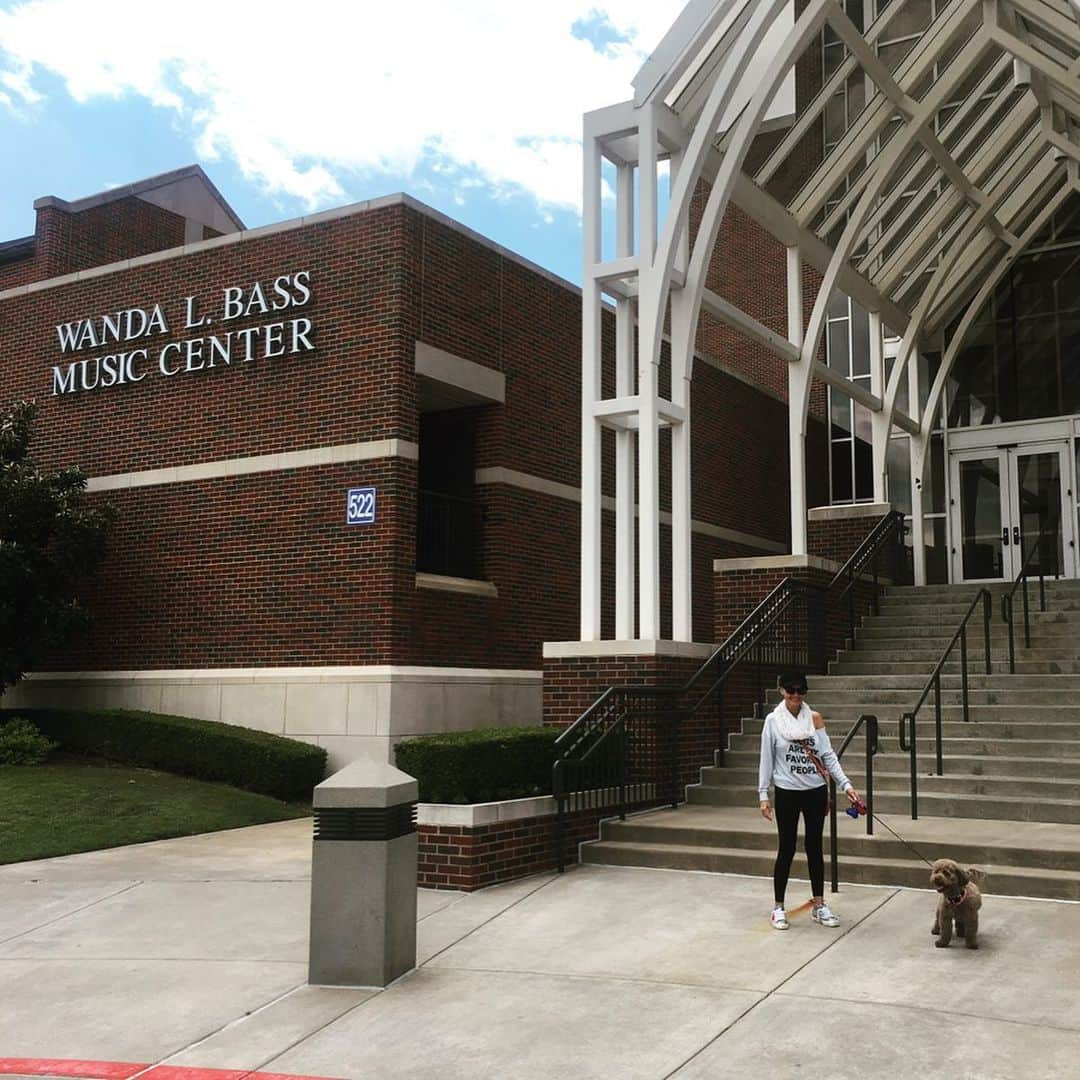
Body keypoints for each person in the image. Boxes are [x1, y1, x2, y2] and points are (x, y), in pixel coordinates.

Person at [758, 670, 861, 930]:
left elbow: (827, 756)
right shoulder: (773, 721)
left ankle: (819, 904)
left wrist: (846, 784)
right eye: (790, 690)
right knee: (787, 848)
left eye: (801, 691)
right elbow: (766, 759)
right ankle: (778, 906)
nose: (795, 695)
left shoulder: (814, 719)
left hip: (815, 790)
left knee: (815, 848)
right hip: (787, 791)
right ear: (781, 690)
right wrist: (763, 795)